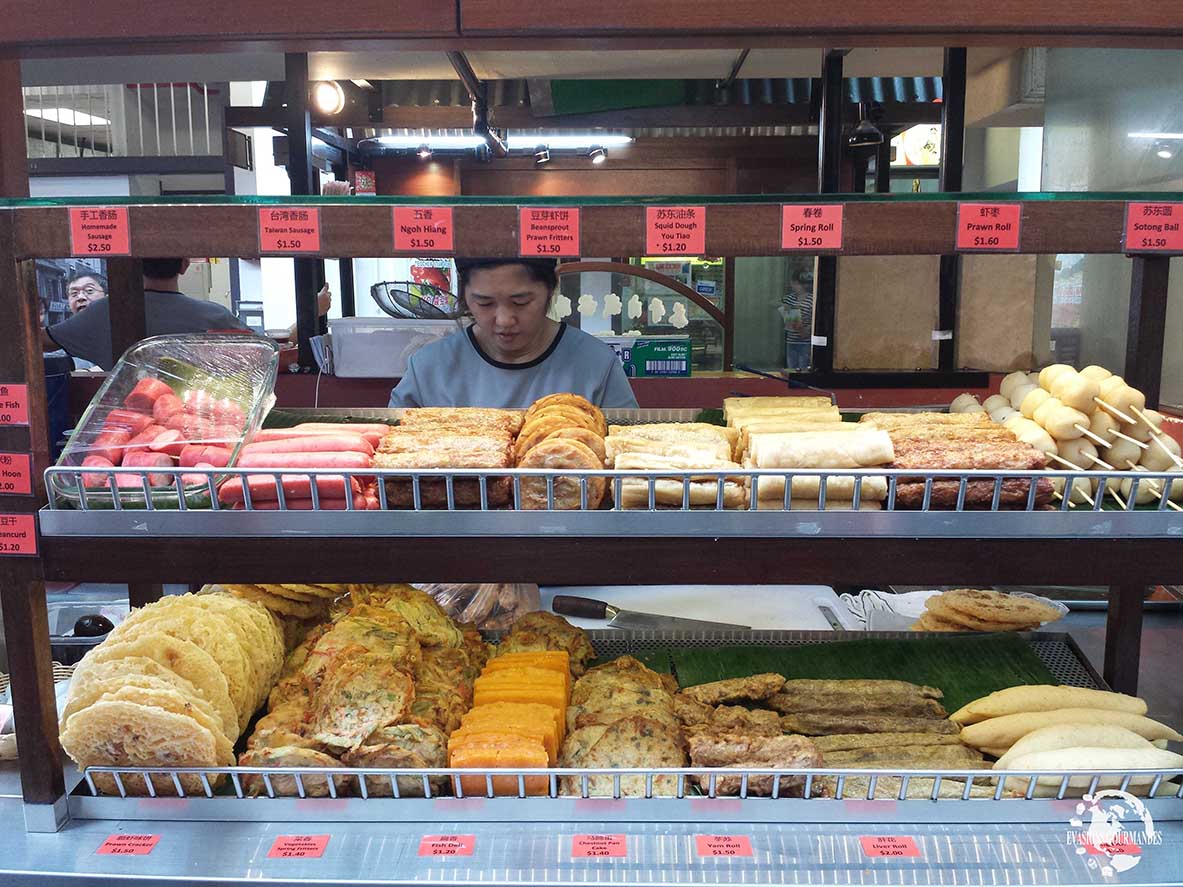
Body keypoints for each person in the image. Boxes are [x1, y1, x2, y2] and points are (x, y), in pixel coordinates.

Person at [389, 257, 638, 409]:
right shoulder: (428, 368)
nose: (504, 320)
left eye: (521, 302)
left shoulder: (595, 363)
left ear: (550, 290)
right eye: (484, 303)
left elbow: (626, 458)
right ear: (464, 294)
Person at [42, 258, 250, 370]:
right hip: (201, 419)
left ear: (132, 265)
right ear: (185, 265)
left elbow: (44, 341)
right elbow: (262, 353)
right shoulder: (215, 315)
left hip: (126, 426)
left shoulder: (101, 312)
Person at [777, 268, 815, 372]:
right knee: (791, 369)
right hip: (791, 340)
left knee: (803, 369)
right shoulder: (790, 298)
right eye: (794, 283)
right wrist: (784, 308)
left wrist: (808, 329)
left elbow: (816, 319)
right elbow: (773, 303)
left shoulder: (812, 299)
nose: (795, 286)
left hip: (805, 341)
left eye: (798, 284)